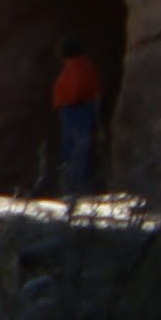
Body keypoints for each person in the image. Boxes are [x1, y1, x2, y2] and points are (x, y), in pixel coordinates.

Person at [49, 35, 106, 202]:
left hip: (76, 110)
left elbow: (78, 89)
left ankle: (76, 189)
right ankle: (76, 188)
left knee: (75, 149)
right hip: (77, 110)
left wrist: (69, 102)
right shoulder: (81, 65)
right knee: (78, 148)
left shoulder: (77, 66)